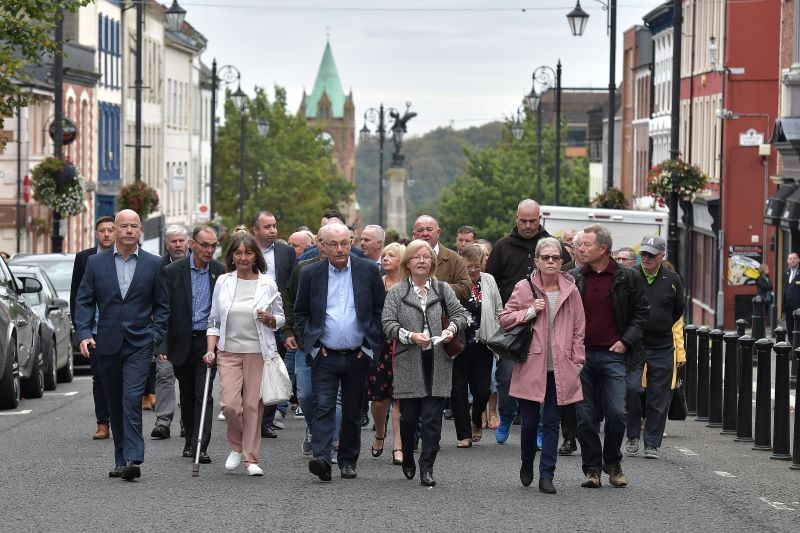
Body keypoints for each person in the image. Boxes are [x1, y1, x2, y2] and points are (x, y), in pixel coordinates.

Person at [75, 209, 169, 481]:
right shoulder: (96, 263)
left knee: (131, 399)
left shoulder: (154, 264)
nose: (129, 231)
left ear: (140, 231)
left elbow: (163, 306)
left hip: (140, 343)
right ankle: (120, 459)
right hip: (106, 342)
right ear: (114, 230)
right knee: (115, 402)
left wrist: (155, 334)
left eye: (134, 226)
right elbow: (83, 301)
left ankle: (133, 457)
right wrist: (83, 333)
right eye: (123, 226)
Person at [294, 223, 385, 482]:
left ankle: (347, 460)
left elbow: (380, 311)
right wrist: (312, 344)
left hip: (358, 353)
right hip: (326, 354)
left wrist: (369, 347)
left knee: (353, 410)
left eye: (345, 243)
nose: (340, 249)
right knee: (323, 406)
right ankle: (322, 459)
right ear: (322, 245)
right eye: (333, 244)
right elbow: (300, 313)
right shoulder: (311, 274)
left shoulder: (367, 270)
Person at [500, 237, 585, 494]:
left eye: (555, 258)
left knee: (551, 422)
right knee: (528, 423)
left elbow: (580, 329)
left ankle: (547, 474)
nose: (550, 261)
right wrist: (528, 312)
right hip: (530, 363)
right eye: (545, 257)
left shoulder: (572, 290)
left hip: (560, 367)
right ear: (536, 261)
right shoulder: (524, 288)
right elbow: (504, 319)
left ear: (562, 261)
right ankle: (527, 461)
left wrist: (578, 359)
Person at [382, 239, 468, 487]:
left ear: (431, 262)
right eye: (416, 256)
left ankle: (427, 468)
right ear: (407, 263)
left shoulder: (442, 289)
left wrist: (451, 328)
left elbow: (460, 314)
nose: (422, 260)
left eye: (426, 256)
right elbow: (387, 324)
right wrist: (409, 336)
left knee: (432, 419)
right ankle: (407, 453)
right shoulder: (397, 292)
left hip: (439, 359)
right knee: (409, 419)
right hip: (409, 360)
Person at [570, 224, 649, 488]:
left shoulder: (629, 277)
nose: (580, 249)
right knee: (585, 416)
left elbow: (642, 313)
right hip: (581, 358)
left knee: (617, 412)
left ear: (603, 248)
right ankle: (592, 469)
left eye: (586, 245)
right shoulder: (574, 278)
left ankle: (612, 462)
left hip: (614, 355)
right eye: (579, 245)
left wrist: (626, 341)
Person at [205, 232, 285, 477]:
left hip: (258, 352)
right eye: (238, 253)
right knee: (230, 405)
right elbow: (214, 319)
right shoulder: (224, 282)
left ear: (255, 256)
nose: (243, 257)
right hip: (228, 351)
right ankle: (237, 446)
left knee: (252, 406)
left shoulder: (267, 282)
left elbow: (280, 318)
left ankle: (251, 458)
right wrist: (210, 349)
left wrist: (270, 318)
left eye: (248, 253)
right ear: (231, 256)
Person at [486, 199, 557, 444]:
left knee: (541, 379)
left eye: (532, 221)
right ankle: (506, 415)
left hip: (544, 325)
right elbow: (490, 284)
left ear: (540, 220)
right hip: (512, 324)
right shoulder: (503, 246)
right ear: (516, 218)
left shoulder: (551, 246)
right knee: (505, 378)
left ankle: (538, 427)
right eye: (523, 221)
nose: (527, 226)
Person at [155, 226, 225, 464]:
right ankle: (189, 441)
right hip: (181, 340)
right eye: (204, 245)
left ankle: (200, 446)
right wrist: (162, 346)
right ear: (192, 245)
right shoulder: (173, 271)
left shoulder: (220, 272)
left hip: (208, 340)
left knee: (203, 393)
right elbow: (163, 311)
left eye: (213, 245)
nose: (209, 250)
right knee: (186, 394)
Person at [624, 235, 684, 460]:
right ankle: (632, 434)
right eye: (644, 254)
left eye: (651, 254)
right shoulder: (631, 276)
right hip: (635, 342)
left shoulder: (672, 279)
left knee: (659, 395)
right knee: (631, 388)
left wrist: (661, 325)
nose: (646, 258)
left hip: (662, 344)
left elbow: (678, 309)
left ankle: (652, 443)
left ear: (662, 256)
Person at [449, 244, 502, 448]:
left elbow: (498, 308)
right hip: (457, 344)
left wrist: (499, 330)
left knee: (482, 390)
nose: (472, 270)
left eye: (476, 266)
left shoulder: (488, 281)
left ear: (482, 264)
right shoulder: (455, 281)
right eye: (468, 266)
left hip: (483, 343)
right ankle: (464, 434)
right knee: (458, 390)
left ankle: (476, 418)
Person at [251, 210, 297, 438]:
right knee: (250, 368)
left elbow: (292, 286)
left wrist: (288, 321)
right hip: (250, 320)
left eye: (274, 226)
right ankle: (249, 416)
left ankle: (265, 421)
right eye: (267, 227)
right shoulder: (245, 251)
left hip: (277, 319)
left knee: (272, 368)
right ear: (255, 230)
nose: (273, 231)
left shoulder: (286, 252)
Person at [70, 215, 115, 440]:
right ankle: (103, 423)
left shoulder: (125, 258)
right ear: (96, 234)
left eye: (110, 230)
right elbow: (77, 296)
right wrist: (81, 330)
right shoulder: (84, 258)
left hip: (119, 328)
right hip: (95, 330)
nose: (106, 234)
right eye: (102, 231)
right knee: (100, 378)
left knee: (121, 378)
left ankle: (121, 421)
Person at [366, 242, 406, 464]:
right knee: (379, 400)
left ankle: (397, 446)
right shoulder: (377, 284)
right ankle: (380, 433)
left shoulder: (408, 286)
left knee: (400, 398)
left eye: (391, 255)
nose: (386, 258)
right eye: (384, 255)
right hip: (379, 347)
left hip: (403, 346)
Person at [150, 224, 189, 437]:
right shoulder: (158, 267)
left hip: (192, 334)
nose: (178, 245)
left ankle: (188, 422)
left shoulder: (199, 264)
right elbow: (155, 305)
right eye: (173, 241)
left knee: (189, 379)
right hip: (166, 332)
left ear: (188, 242)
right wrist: (159, 342)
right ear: (167, 244)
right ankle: (163, 422)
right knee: (164, 374)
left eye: (181, 240)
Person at [783, 252, 800, 334]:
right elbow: (784, 289)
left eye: (794, 258)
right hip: (788, 307)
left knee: (798, 329)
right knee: (789, 328)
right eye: (790, 259)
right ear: (787, 261)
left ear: (798, 260)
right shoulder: (786, 272)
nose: (792, 260)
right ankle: (791, 345)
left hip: (798, 308)